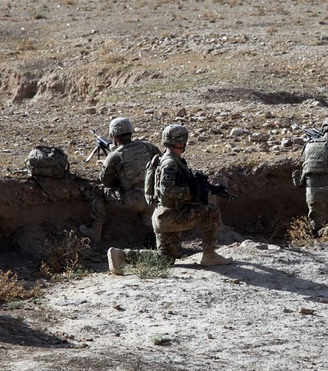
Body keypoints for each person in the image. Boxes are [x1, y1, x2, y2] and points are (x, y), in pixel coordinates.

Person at [107, 124, 232, 274]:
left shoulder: (165, 159)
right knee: (211, 211)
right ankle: (209, 255)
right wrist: (191, 191)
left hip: (162, 217)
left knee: (165, 259)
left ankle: (121, 255)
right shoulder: (170, 164)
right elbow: (167, 190)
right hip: (172, 214)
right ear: (180, 142)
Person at [79, 117, 160, 243]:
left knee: (98, 190)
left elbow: (106, 182)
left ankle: (96, 230)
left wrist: (113, 163)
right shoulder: (148, 147)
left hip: (134, 200)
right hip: (154, 198)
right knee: (150, 224)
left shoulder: (115, 155)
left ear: (114, 137)